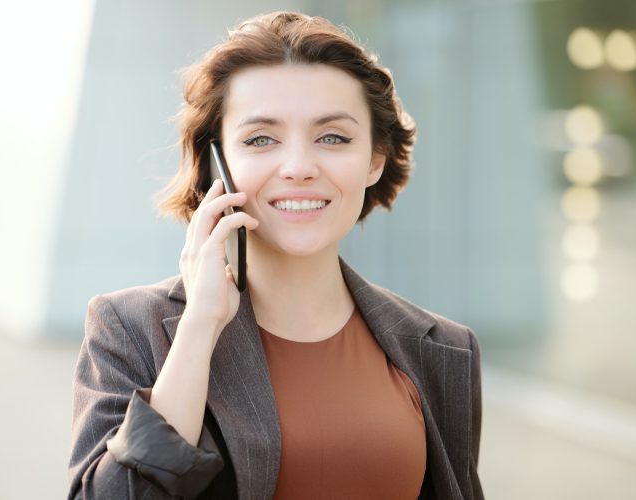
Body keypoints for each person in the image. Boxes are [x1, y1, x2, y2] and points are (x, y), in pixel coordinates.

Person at [68, 11, 483, 500]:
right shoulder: (130, 329)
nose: (299, 167)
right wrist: (199, 327)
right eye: (260, 139)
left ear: (374, 160)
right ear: (217, 162)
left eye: (333, 137)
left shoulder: (444, 348)